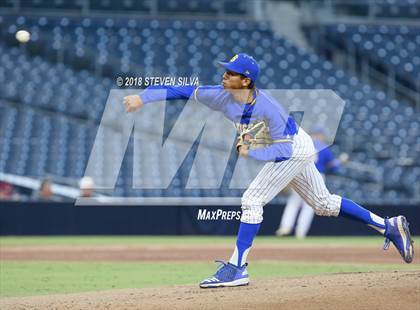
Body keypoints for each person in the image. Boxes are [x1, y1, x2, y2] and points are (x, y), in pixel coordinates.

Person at [123, 53, 414, 288]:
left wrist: (253, 152)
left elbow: (285, 151)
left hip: (294, 147)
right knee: (323, 203)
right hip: (291, 145)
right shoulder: (220, 96)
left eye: (231, 73)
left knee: (251, 200)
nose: (224, 75)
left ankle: (237, 268)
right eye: (226, 71)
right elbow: (180, 90)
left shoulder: (268, 107)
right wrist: (143, 98)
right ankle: (387, 225)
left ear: (246, 80)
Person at [276, 129, 349, 238]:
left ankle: (285, 227)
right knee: (308, 207)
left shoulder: (303, 144)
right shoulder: (323, 147)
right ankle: (300, 232)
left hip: (299, 174)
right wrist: (341, 161)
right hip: (317, 176)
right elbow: (332, 166)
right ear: (319, 135)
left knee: (293, 203)